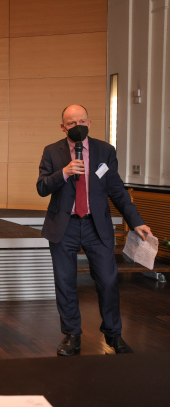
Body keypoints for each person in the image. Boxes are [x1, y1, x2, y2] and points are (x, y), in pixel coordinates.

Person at [37, 104, 152, 356]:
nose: (76, 125)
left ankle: (113, 335)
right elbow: (42, 187)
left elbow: (117, 191)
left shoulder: (105, 151)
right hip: (63, 226)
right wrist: (64, 173)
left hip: (96, 225)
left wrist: (136, 221)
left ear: (89, 123)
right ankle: (71, 335)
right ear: (62, 126)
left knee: (108, 281)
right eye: (70, 122)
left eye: (81, 121)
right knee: (65, 282)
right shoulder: (51, 151)